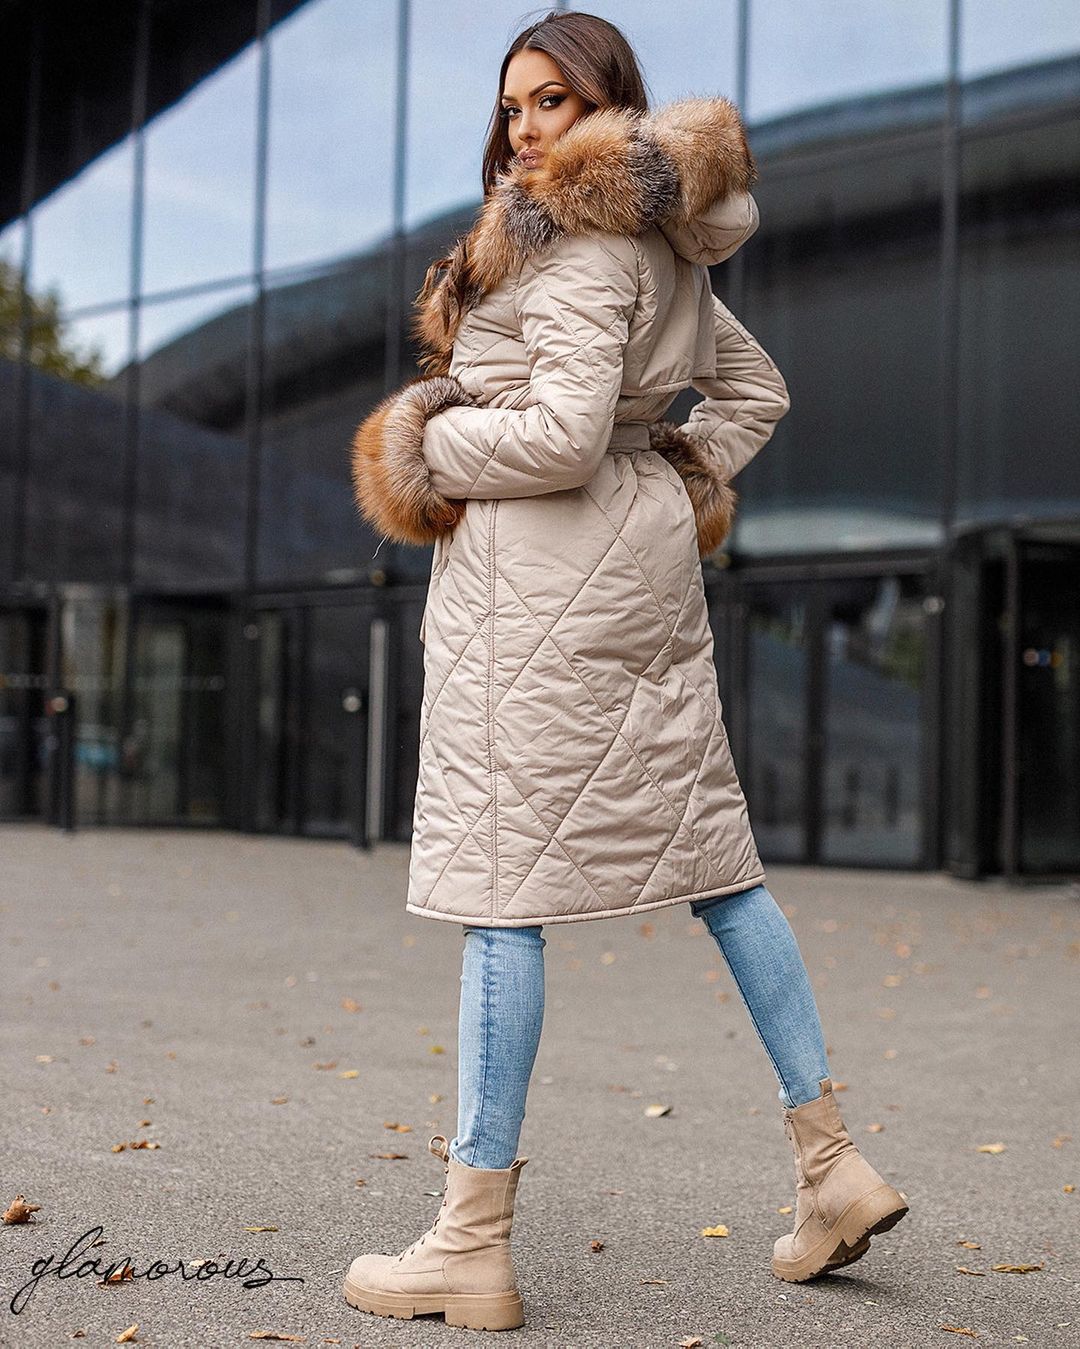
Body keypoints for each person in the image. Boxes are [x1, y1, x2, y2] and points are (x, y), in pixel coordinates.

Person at [346, 8, 909, 1333]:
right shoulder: (667, 245)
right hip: (636, 583)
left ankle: (469, 1240)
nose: (526, 126)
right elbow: (753, 397)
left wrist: (424, 439)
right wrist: (672, 479)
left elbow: (552, 435)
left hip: (541, 592)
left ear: (609, 100)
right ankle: (831, 1166)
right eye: (511, 108)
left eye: (549, 99)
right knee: (720, 864)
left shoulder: (579, 243)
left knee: (502, 887)